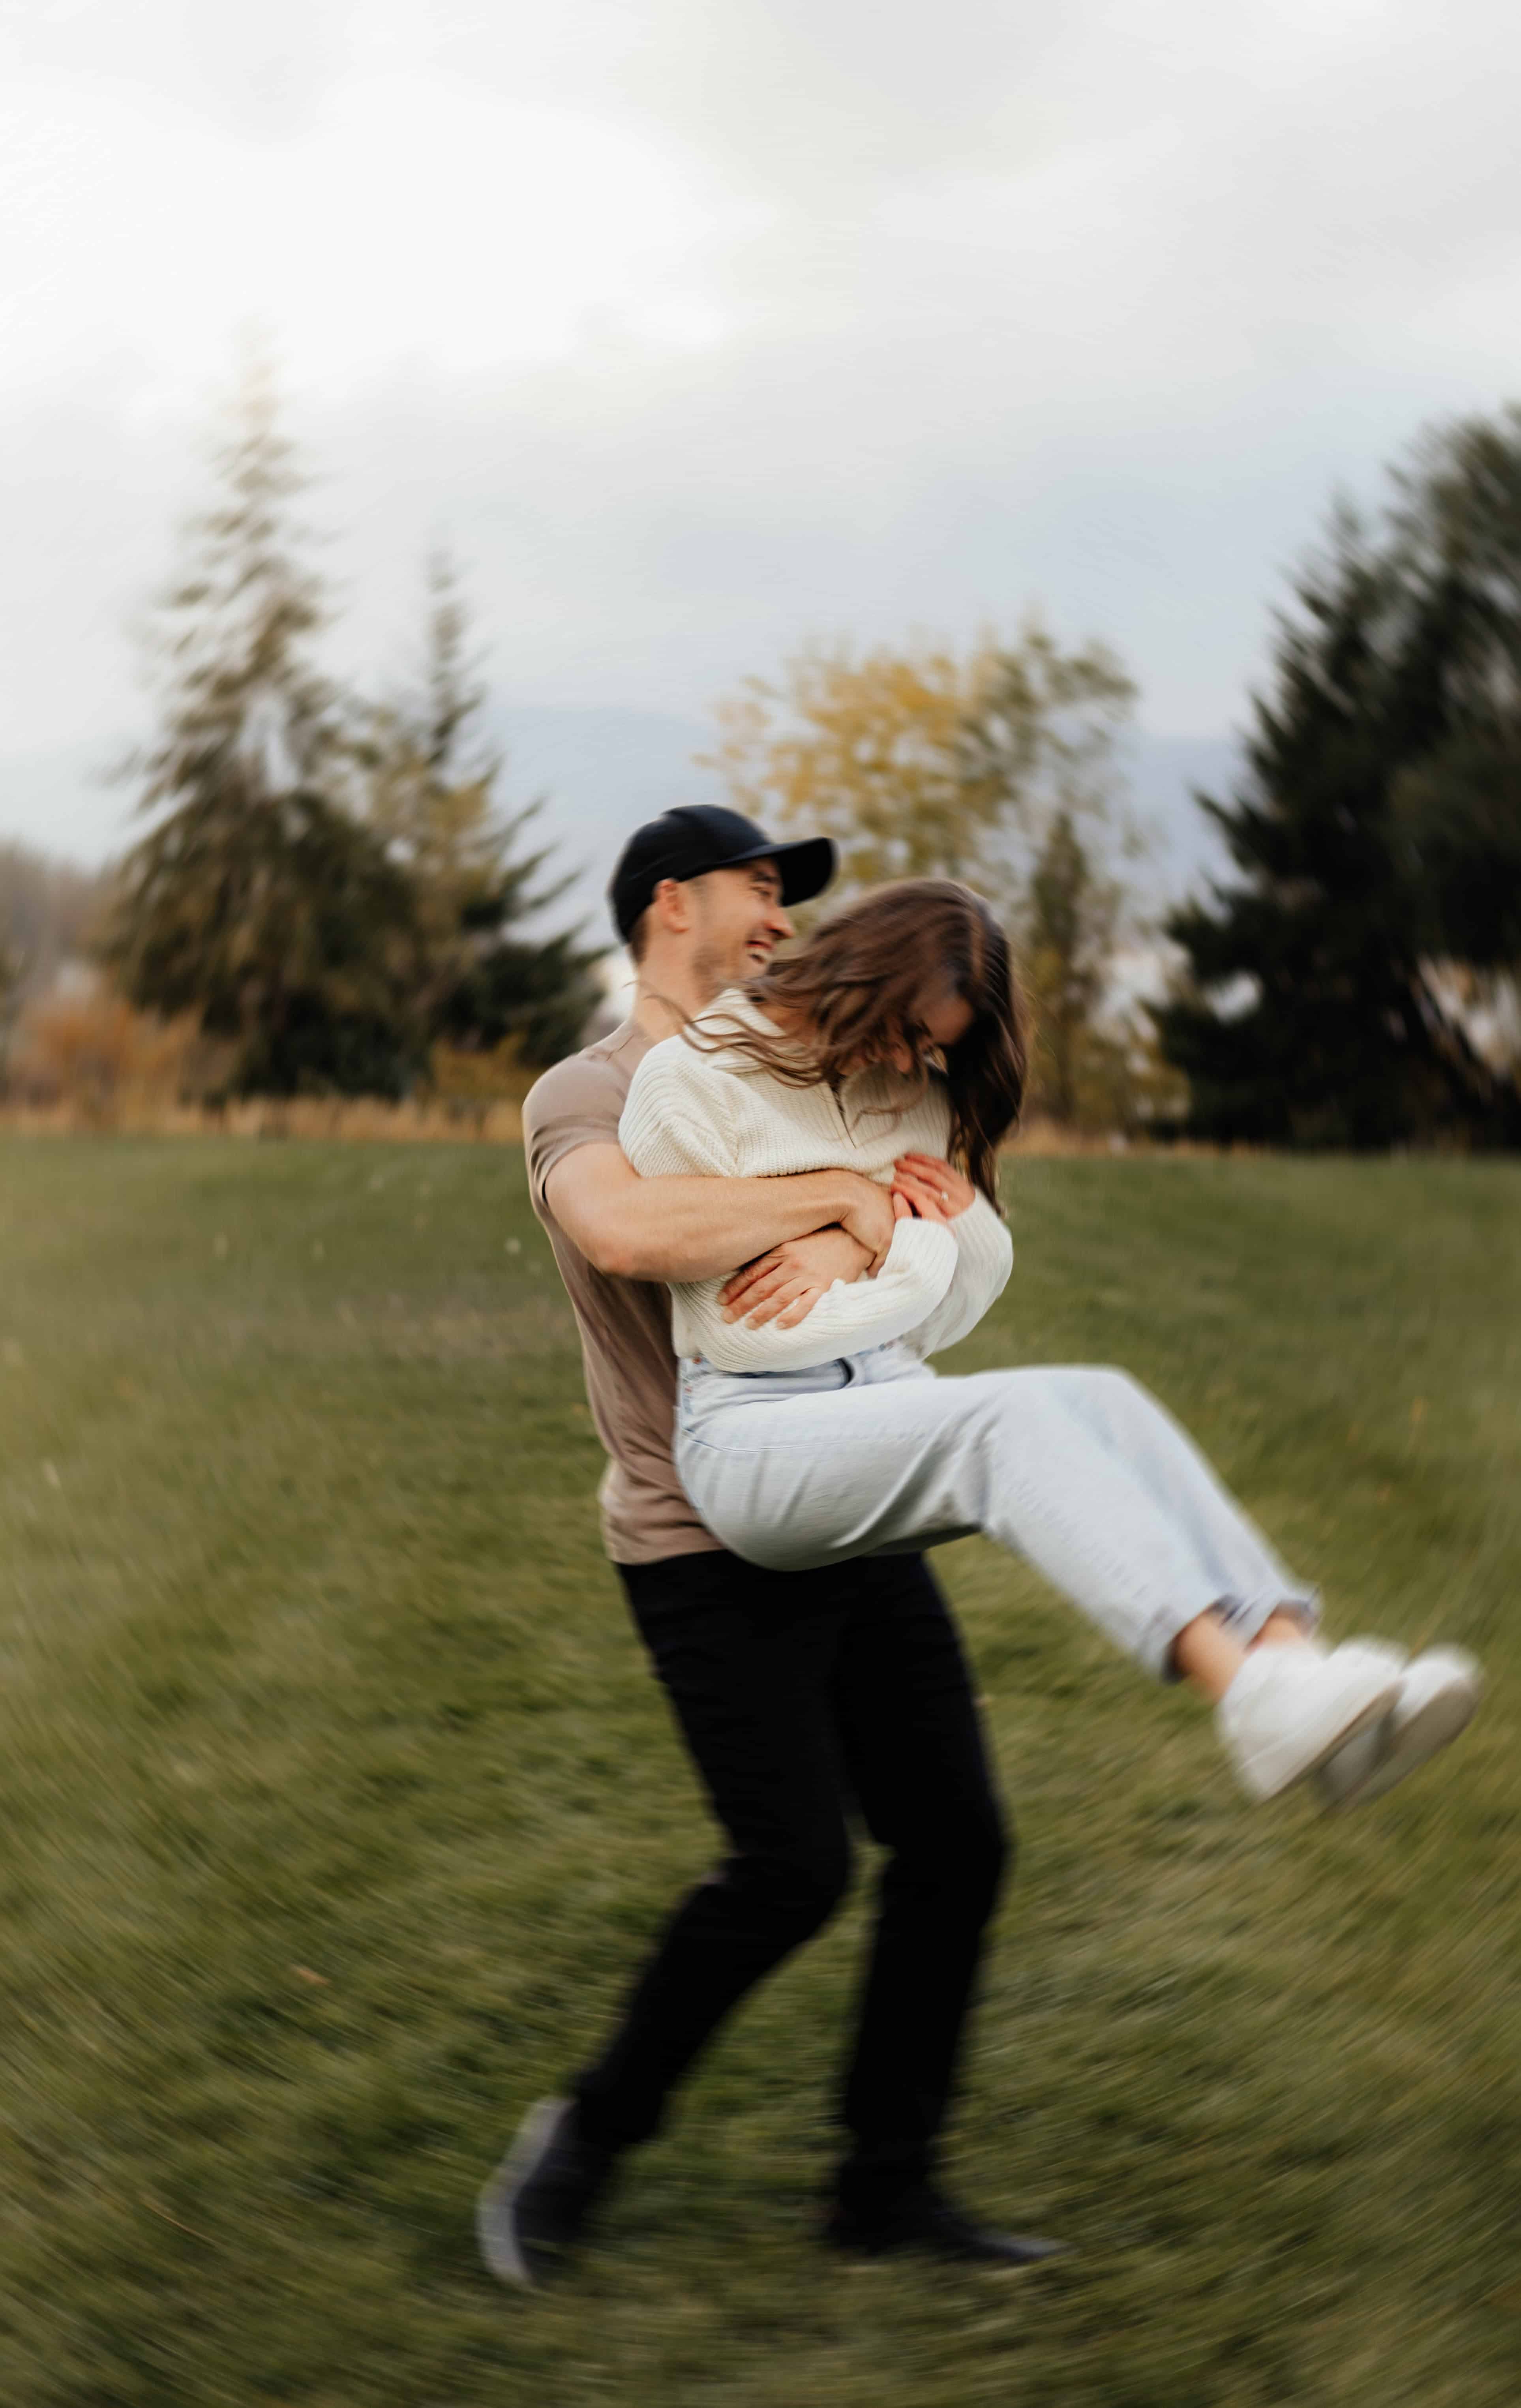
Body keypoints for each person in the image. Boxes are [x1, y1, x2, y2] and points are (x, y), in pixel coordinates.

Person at [478, 808, 1063, 2290]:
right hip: (696, 1533)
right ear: (669, 902)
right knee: (791, 1866)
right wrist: (848, 1202)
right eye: (757, 889)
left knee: (956, 1840)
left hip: (849, 1496)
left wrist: (912, 1214)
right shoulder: (591, 1090)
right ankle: (586, 2138)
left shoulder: (829, 1071)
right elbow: (625, 1230)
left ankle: (886, 2188)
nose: (781, 921)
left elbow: (933, 1253)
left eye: (794, 901)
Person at [617, 876, 1482, 1823]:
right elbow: (747, 1323)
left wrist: (864, 1245)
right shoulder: (692, 1077)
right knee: (1007, 1421)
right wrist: (891, 1228)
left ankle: (1299, 1676)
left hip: (885, 1392)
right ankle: (1241, 1695)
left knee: (1104, 1393)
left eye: (930, 1045)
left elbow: (958, 1295)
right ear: (860, 969)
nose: (907, 1059)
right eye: (905, 1027)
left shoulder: (907, 1086)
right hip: (752, 1432)